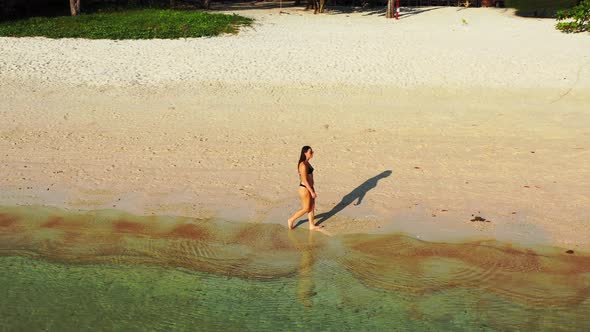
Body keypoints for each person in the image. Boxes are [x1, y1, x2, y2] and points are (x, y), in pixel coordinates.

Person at [288, 146, 322, 230]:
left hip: (310, 187)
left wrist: (312, 188)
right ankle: (291, 219)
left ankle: (311, 225)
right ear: (305, 153)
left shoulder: (307, 162)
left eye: (312, 152)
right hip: (305, 189)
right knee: (306, 208)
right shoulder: (303, 165)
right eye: (310, 152)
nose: (312, 153)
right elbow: (304, 180)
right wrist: (311, 191)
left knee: (312, 206)